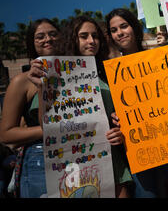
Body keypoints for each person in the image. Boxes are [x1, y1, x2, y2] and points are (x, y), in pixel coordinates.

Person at [105, 8, 168, 198]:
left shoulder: (160, 59)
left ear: (134, 28)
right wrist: (114, 117)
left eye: (124, 26)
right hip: (139, 151)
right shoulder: (110, 72)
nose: (120, 33)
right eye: (114, 30)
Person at [40, 16, 132, 197]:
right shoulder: (53, 76)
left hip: (112, 162)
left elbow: (118, 117)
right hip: (73, 168)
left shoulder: (106, 73)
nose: (91, 41)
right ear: (72, 39)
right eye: (84, 36)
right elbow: (46, 125)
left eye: (95, 36)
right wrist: (40, 86)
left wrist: (119, 132)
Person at [0, 18, 61, 197]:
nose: (47, 39)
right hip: (40, 160)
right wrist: (53, 129)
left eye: (53, 34)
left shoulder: (78, 75)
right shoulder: (21, 81)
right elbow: (6, 134)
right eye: (40, 37)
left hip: (78, 156)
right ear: (31, 44)